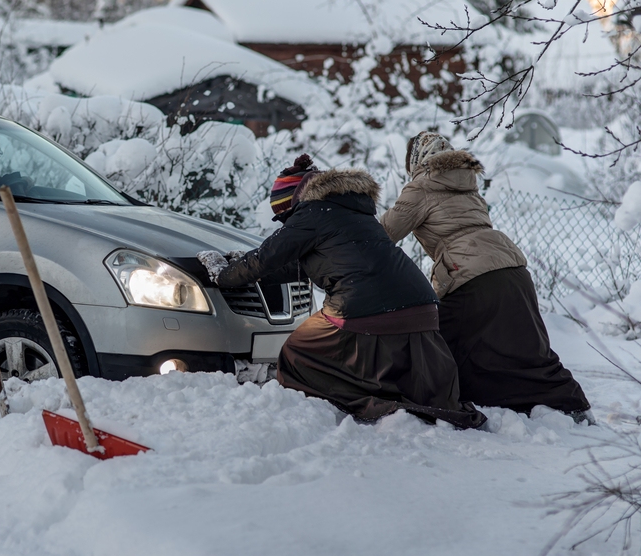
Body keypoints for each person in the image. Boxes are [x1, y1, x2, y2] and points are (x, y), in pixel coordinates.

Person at [199, 154, 487, 429]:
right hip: (421, 307)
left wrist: (222, 273)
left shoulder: (311, 213)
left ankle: (354, 401)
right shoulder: (350, 212)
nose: (287, 225)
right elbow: (298, 265)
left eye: (285, 218)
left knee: (298, 350)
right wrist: (242, 263)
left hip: (365, 308)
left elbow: (266, 258)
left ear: (292, 204)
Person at [380, 131, 591, 419]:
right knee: (526, 347)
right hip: (513, 269)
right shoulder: (468, 184)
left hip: (471, 275)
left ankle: (430, 403)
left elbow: (382, 235)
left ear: (415, 161)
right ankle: (574, 406)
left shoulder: (421, 186)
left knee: (435, 344)